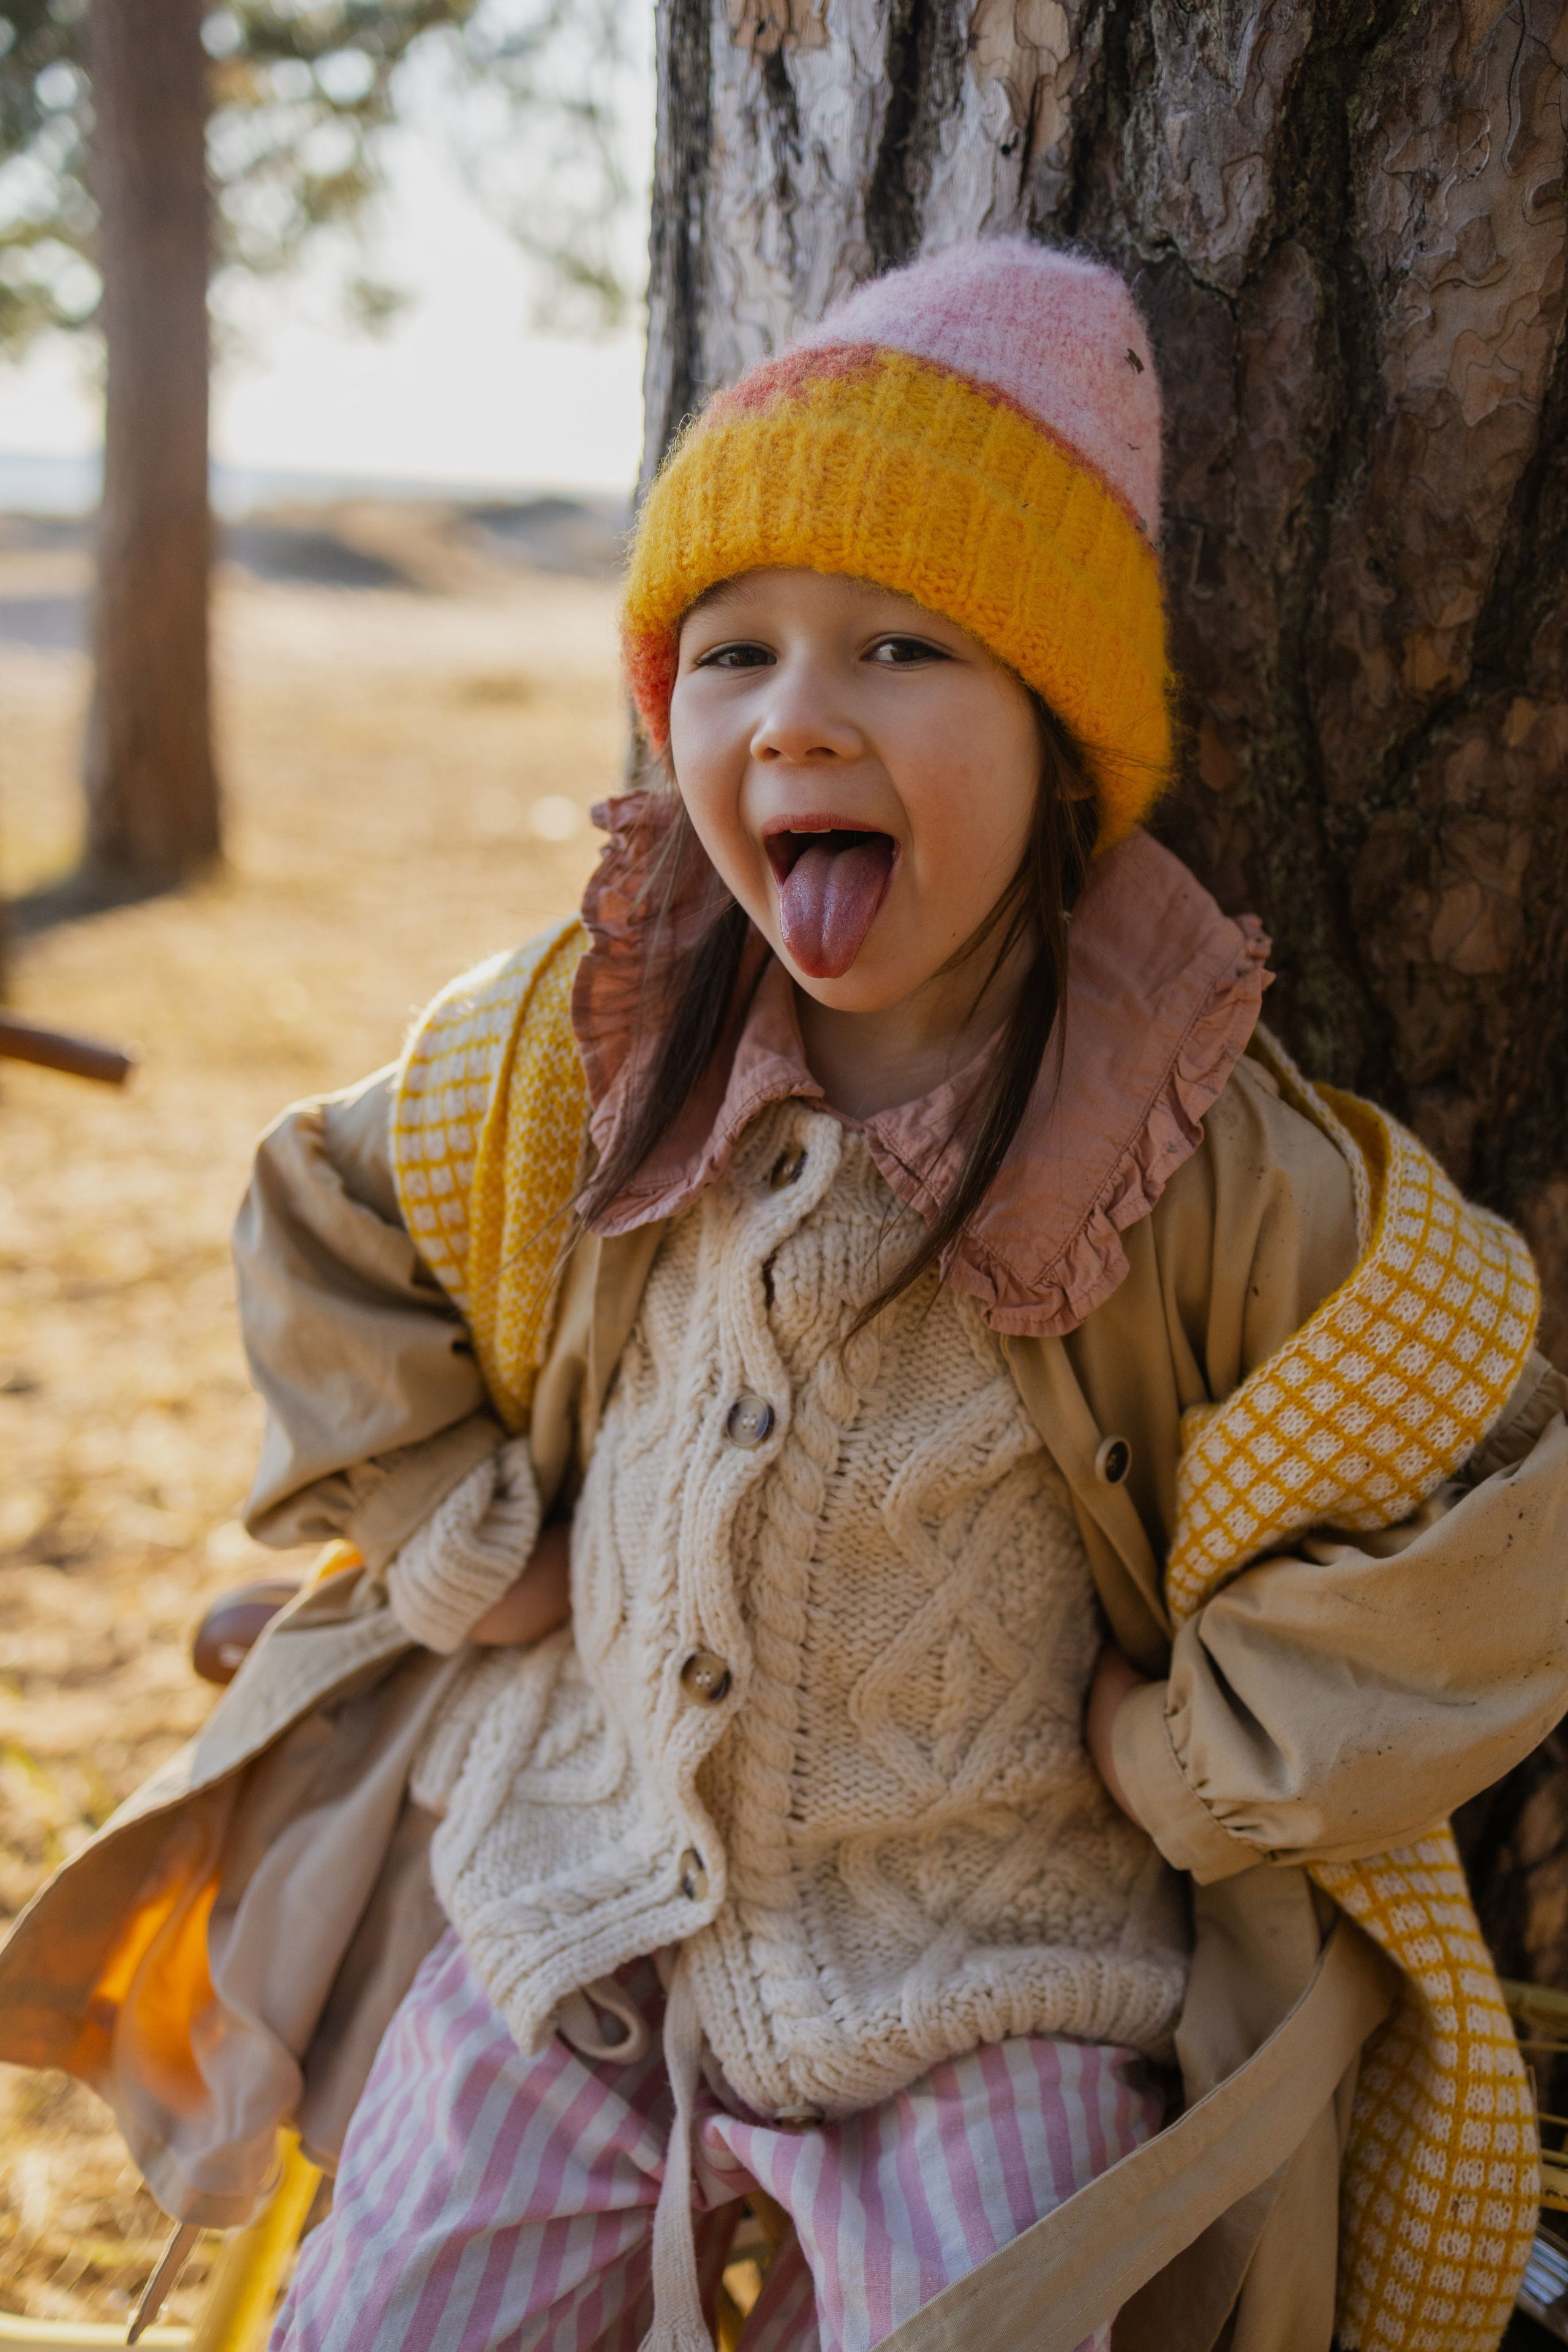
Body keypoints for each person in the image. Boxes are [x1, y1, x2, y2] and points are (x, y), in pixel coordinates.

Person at [4, 240, 1567, 2352]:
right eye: (730, 654)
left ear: (1061, 731)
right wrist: (462, 1525)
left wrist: (1198, 1760)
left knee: (1006, 2309)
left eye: (902, 647)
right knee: (401, 2312)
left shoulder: (1186, 1141)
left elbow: (1480, 1484)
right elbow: (326, 1208)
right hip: (575, 1918)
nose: (798, 716)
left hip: (990, 1973)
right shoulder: (587, 1047)